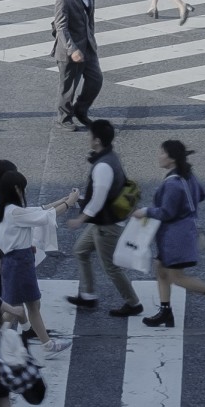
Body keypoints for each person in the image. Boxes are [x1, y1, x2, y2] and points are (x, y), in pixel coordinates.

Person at [142, 140, 205, 327]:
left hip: (175, 237)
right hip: (182, 233)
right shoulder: (187, 175)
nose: (159, 155)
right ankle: (165, 311)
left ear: (172, 158)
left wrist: (144, 211)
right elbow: (202, 194)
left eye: (162, 152)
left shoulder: (173, 183)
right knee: (161, 269)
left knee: (176, 277)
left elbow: (166, 212)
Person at [66, 119, 143, 318]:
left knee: (111, 267)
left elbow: (98, 199)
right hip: (102, 221)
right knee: (80, 251)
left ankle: (133, 303)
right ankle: (88, 296)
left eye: (90, 135)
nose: (88, 137)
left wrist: (80, 219)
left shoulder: (102, 166)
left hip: (107, 225)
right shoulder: (110, 156)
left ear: (97, 140)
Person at [53, 0, 101, 127]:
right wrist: (72, 49)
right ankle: (64, 118)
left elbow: (90, 19)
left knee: (96, 80)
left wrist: (91, 39)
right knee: (68, 87)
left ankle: (81, 109)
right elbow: (61, 27)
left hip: (88, 47)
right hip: (69, 51)